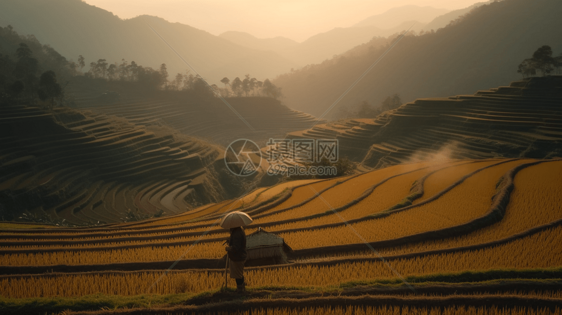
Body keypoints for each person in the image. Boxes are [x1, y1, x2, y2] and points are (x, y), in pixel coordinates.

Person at [225, 226, 247, 292]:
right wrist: (230, 241)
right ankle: (242, 288)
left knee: (237, 275)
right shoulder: (239, 231)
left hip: (238, 257)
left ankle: (240, 289)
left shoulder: (237, 234)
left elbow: (236, 247)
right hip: (240, 256)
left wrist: (228, 248)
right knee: (239, 274)